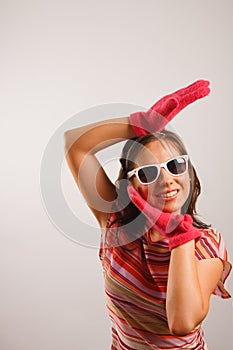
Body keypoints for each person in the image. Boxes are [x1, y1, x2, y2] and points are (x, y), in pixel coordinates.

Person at [64, 80, 231, 349]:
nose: (167, 180)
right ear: (132, 185)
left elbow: (182, 322)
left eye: (175, 165)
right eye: (149, 172)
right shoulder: (117, 228)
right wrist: (140, 123)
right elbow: (75, 145)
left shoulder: (206, 244)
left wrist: (179, 234)